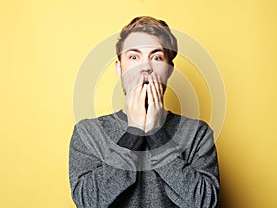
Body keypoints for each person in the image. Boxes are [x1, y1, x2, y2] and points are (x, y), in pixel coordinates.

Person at [69, 16, 220, 208]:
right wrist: (134, 132)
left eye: (157, 58)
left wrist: (157, 134)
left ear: (169, 70)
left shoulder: (198, 133)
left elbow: (205, 203)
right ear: (119, 68)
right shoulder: (88, 133)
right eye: (133, 57)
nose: (145, 67)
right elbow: (88, 202)